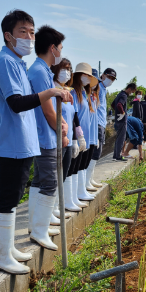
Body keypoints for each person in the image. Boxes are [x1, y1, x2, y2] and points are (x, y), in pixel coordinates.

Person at [0, 10, 72, 273]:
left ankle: (7, 248)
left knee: (13, 197)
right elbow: (16, 104)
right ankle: (0, 255)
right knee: (6, 198)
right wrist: (49, 92)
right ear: (8, 35)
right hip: (11, 143)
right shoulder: (5, 62)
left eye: (32, 32)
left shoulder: (18, 63)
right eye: (23, 31)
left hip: (22, 143)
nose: (28, 37)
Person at [27, 26, 74, 250]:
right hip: (44, 136)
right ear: (52, 48)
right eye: (60, 48)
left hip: (43, 135)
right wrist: (61, 131)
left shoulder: (42, 70)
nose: (61, 53)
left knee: (39, 181)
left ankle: (37, 226)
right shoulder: (39, 71)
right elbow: (47, 110)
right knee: (49, 183)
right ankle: (39, 231)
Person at [51, 57, 83, 213]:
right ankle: (52, 207)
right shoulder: (52, 91)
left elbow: (73, 116)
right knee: (55, 175)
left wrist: (77, 137)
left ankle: (58, 203)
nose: (67, 72)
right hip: (58, 139)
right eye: (64, 69)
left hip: (68, 139)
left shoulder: (68, 93)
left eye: (69, 69)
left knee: (64, 173)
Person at [71, 63, 98, 199]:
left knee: (81, 165)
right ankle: (74, 196)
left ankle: (80, 192)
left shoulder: (84, 93)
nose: (88, 78)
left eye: (89, 76)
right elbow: (74, 115)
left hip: (86, 136)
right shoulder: (73, 92)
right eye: (85, 74)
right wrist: (78, 136)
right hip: (77, 136)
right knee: (74, 167)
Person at [89, 67, 117, 188]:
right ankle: (86, 181)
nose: (110, 80)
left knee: (97, 152)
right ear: (103, 75)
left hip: (101, 122)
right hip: (96, 123)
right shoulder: (97, 86)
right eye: (109, 77)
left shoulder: (104, 89)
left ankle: (89, 179)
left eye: (113, 79)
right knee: (95, 152)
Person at [112, 82, 137, 161]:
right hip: (122, 120)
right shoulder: (124, 95)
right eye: (132, 92)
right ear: (129, 89)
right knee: (121, 138)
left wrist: (117, 113)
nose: (131, 93)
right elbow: (119, 105)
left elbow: (113, 104)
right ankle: (118, 156)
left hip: (117, 119)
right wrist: (122, 113)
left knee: (118, 138)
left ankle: (115, 155)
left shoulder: (120, 94)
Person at [85, 73, 100, 191]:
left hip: (92, 134)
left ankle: (87, 182)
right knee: (82, 163)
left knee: (90, 157)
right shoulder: (84, 96)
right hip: (84, 135)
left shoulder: (94, 97)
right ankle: (83, 186)